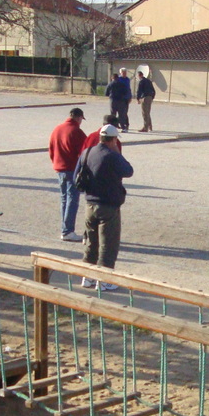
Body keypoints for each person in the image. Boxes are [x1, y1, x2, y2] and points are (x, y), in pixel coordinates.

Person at [76, 123, 134, 288]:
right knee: (108, 244)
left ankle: (88, 277)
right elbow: (129, 171)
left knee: (91, 243)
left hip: (90, 204)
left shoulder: (87, 153)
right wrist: (117, 153)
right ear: (113, 139)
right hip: (108, 205)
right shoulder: (113, 156)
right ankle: (105, 280)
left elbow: (76, 177)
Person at [48, 107, 87, 242]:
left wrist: (55, 163)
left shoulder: (57, 129)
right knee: (72, 200)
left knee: (64, 199)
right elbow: (84, 152)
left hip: (60, 168)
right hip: (72, 169)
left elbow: (51, 149)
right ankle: (68, 231)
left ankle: (65, 228)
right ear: (79, 117)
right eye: (82, 119)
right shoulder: (76, 131)